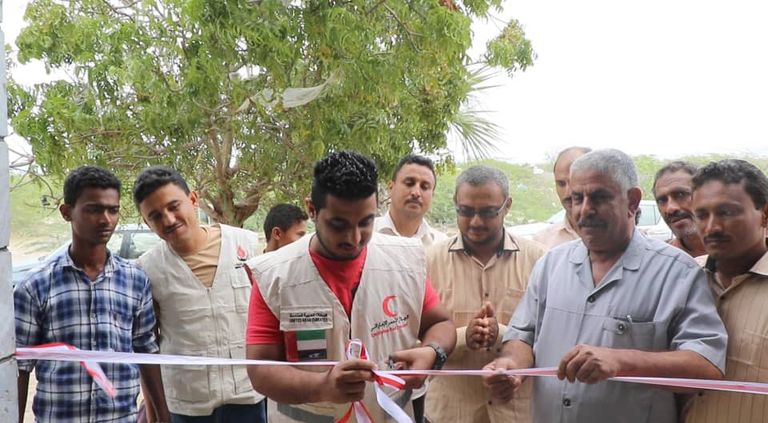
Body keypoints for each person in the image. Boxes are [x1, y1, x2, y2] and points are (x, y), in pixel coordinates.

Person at [483, 149, 728, 423]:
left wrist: (621, 361)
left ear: (632, 201)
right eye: (577, 198)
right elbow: (522, 336)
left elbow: (706, 366)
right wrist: (511, 365)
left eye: (599, 197)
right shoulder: (551, 265)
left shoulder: (677, 273)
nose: (584, 209)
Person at [245, 150, 456, 422]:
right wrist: (322, 386)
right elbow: (260, 369)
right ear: (312, 209)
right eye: (338, 224)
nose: (354, 238)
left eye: (365, 222)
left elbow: (441, 324)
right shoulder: (275, 275)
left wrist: (431, 352)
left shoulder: (405, 262)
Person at [14, 166, 168, 423]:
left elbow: (147, 354)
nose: (106, 219)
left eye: (113, 210)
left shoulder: (135, 281)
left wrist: (162, 417)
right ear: (67, 212)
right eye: (94, 209)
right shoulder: (36, 286)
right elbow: (19, 368)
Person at [133, 166, 266, 423]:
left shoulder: (247, 246)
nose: (169, 220)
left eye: (174, 206)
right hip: (187, 404)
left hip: (249, 394)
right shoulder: (146, 269)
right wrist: (154, 412)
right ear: (147, 223)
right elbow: (146, 346)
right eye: (155, 216)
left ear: (193, 199)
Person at [425, 165, 545, 423]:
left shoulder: (539, 260)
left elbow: (551, 336)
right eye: (465, 211)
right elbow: (411, 338)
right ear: (455, 203)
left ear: (507, 206)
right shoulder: (429, 260)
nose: (476, 221)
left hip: (516, 413)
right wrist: (460, 337)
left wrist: (502, 334)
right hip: (449, 414)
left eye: (489, 212)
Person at [684, 159, 768, 422]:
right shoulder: (684, 278)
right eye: (701, 215)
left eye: (727, 212)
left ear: (765, 214)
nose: (712, 227)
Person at [374, 154, 447, 247]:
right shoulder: (365, 237)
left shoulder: (441, 246)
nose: (416, 193)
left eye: (424, 187)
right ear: (391, 188)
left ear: (432, 195)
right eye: (409, 183)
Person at [533, 147, 591, 249]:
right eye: (561, 184)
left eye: (575, 182)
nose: (568, 193)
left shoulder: (619, 236)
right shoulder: (542, 243)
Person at [653, 161, 705, 257]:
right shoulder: (660, 261)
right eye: (662, 200)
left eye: (680, 194)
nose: (670, 208)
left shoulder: (738, 253)